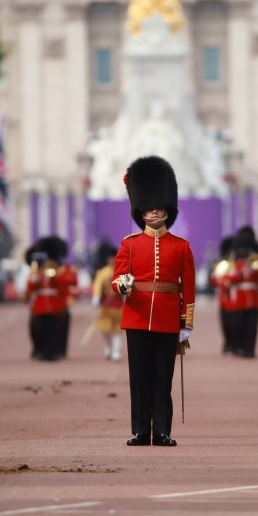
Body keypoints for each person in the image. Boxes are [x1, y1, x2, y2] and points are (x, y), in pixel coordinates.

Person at [112, 155, 195, 447]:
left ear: (167, 211)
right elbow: (118, 277)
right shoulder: (129, 244)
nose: (155, 213)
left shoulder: (181, 247)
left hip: (167, 319)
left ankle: (161, 431)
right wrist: (123, 285)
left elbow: (190, 289)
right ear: (141, 212)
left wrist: (186, 323)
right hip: (136, 317)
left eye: (159, 208)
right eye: (149, 209)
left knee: (163, 378)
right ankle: (140, 431)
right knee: (139, 378)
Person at [219, 226, 258, 358]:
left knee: (252, 328)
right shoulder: (232, 266)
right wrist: (239, 274)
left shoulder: (255, 265)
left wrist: (256, 270)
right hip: (237, 301)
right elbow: (223, 281)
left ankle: (249, 349)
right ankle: (238, 346)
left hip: (253, 301)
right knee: (237, 326)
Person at [25, 238, 70, 362]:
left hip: (55, 306)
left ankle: (52, 352)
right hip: (39, 306)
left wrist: (56, 277)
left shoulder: (59, 271)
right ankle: (41, 350)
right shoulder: (36, 272)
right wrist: (37, 279)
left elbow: (65, 286)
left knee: (54, 331)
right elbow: (29, 287)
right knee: (38, 330)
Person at [92, 241, 125, 362]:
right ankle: (109, 346)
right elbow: (97, 286)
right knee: (104, 329)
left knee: (117, 330)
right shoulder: (102, 272)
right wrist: (96, 296)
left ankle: (116, 351)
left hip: (118, 305)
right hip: (106, 305)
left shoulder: (122, 271)